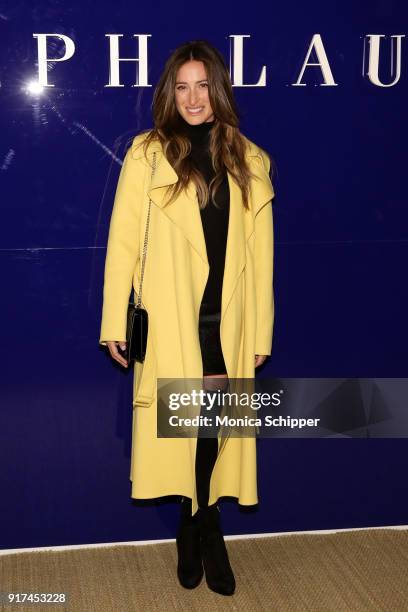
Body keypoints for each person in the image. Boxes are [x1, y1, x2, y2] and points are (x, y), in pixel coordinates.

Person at [99, 39, 276, 596]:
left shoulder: (249, 158)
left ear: (218, 90)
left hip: (229, 315)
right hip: (174, 312)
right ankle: (191, 520)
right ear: (169, 94)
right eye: (182, 87)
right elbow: (123, 243)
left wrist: (261, 330)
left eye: (203, 86)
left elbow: (265, 257)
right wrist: (113, 322)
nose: (193, 98)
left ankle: (209, 523)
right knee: (184, 420)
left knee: (216, 423)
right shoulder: (146, 154)